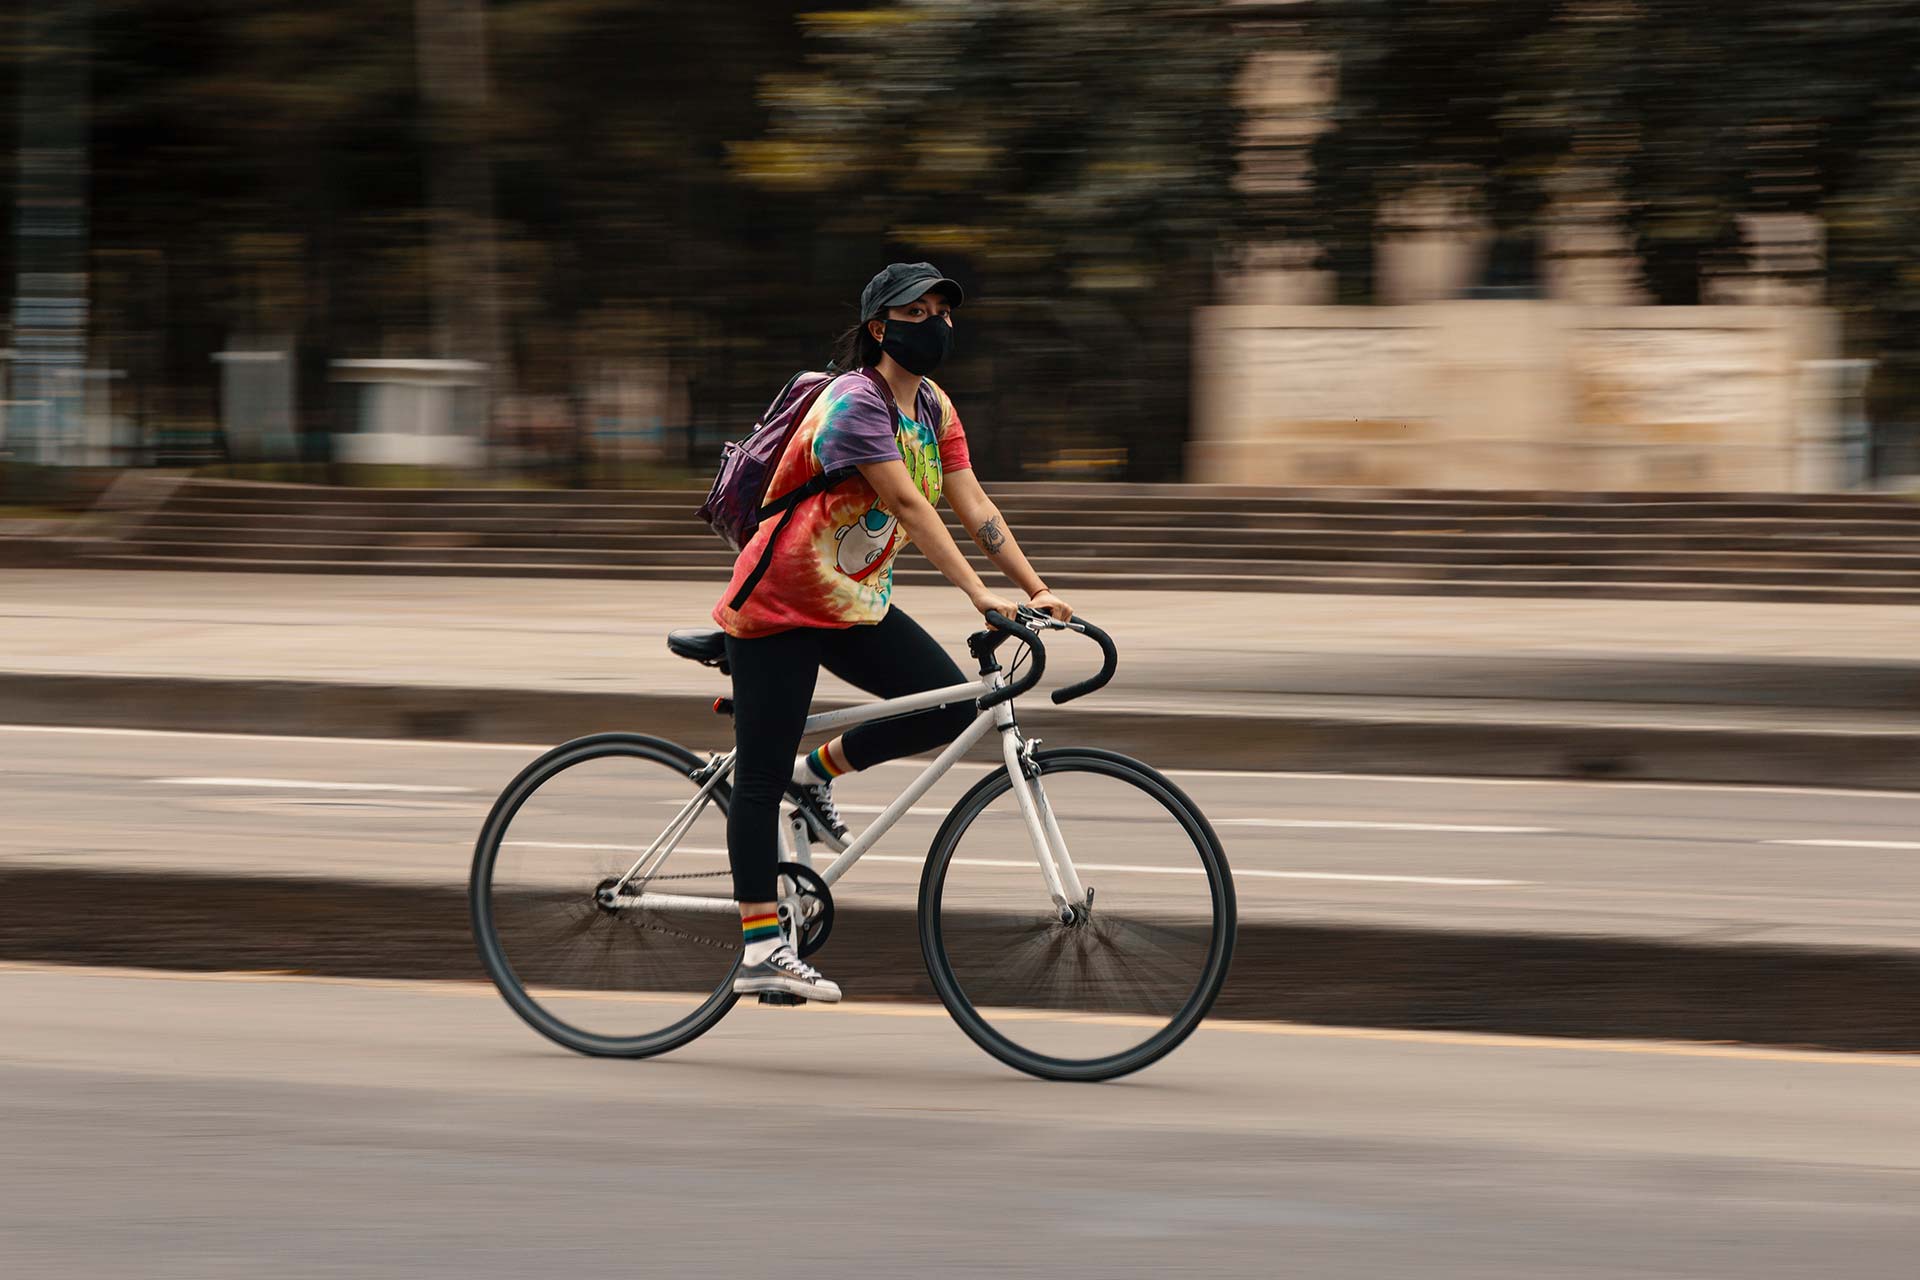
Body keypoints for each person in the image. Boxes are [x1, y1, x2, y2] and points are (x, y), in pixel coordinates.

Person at [712, 262, 1073, 1002]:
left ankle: (813, 778)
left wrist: (1034, 587)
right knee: (757, 774)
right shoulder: (853, 402)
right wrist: (981, 598)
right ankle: (758, 948)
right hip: (780, 604)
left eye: (946, 308)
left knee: (947, 703)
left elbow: (969, 499)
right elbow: (910, 505)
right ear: (881, 327)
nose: (939, 321)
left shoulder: (933, 407)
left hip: (852, 601)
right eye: (921, 309)